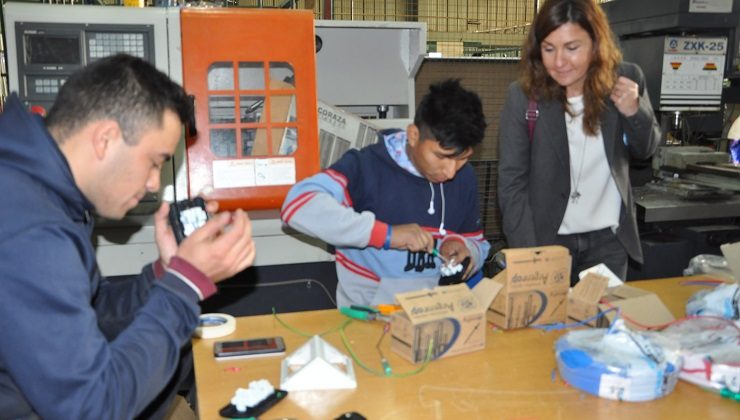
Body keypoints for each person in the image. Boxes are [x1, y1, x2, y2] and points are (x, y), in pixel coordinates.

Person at [0, 54, 256, 419]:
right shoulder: (31, 230)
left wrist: (165, 276)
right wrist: (186, 285)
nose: (154, 184)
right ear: (105, 139)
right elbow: (93, 409)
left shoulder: (42, 193)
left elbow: (84, 312)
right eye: (154, 162)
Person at [281, 79, 490, 307]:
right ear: (413, 135)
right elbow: (297, 205)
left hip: (432, 315)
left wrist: (465, 249)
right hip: (368, 318)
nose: (451, 172)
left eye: (462, 159)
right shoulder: (366, 167)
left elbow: (477, 242)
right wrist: (388, 235)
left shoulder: (465, 177)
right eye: (441, 156)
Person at [497, 0, 661, 285]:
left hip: (608, 244)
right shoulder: (524, 96)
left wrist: (635, 111)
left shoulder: (626, 79)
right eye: (549, 49)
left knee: (602, 324)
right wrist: (528, 254)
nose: (559, 62)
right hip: (546, 243)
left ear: (596, 43)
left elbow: (645, 151)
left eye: (572, 48)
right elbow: (511, 182)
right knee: (546, 328)